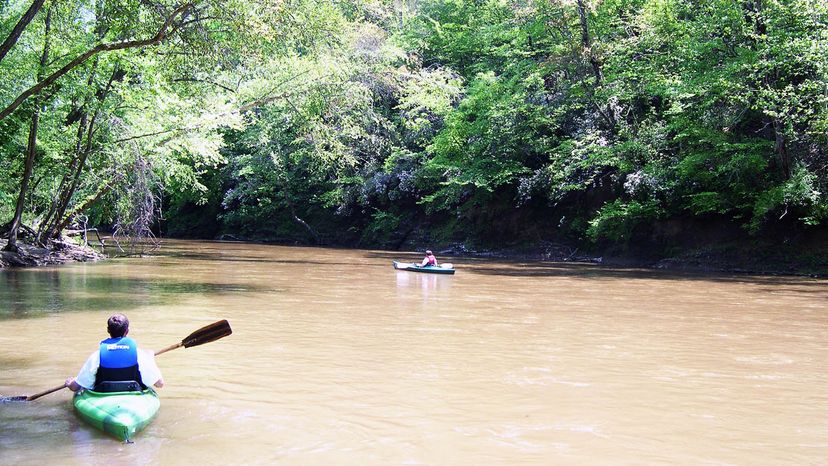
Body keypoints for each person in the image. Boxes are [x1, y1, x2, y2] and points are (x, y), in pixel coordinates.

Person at [66, 314, 164, 393]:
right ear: (127, 331)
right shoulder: (139, 354)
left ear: (108, 330)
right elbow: (159, 384)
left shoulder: (97, 355)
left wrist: (70, 383)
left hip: (103, 394)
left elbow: (76, 387)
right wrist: (151, 359)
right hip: (133, 393)